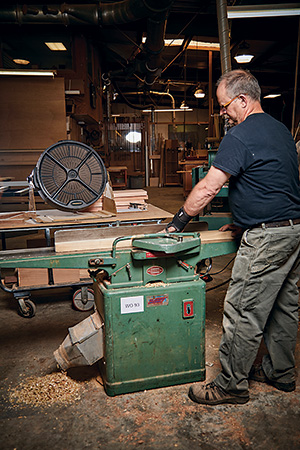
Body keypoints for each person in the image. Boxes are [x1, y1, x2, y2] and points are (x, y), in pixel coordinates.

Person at [166, 69, 300, 405]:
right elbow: (273, 182)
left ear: (243, 99)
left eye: (225, 106)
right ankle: (280, 373)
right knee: (284, 307)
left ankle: (229, 385)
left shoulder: (239, 136)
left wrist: (177, 223)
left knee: (243, 310)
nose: (223, 113)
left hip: (268, 239)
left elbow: (209, 187)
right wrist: (245, 221)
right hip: (293, 231)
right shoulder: (280, 130)